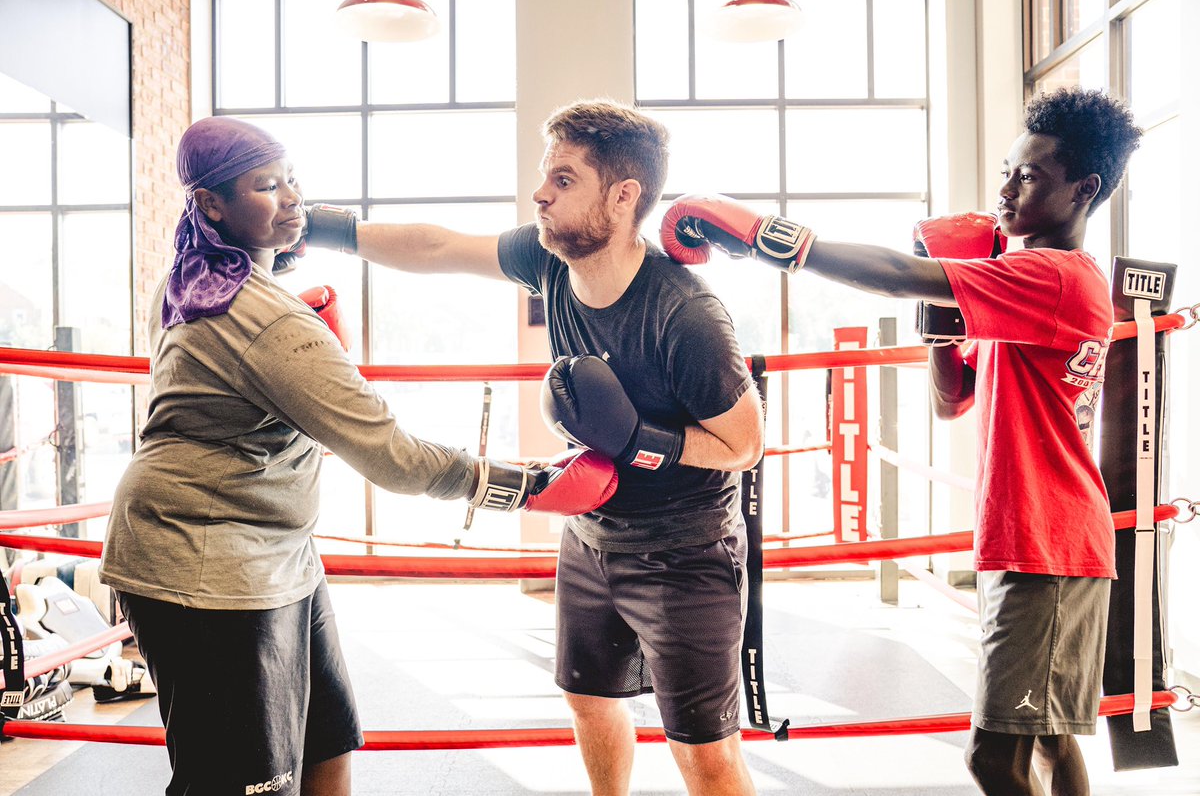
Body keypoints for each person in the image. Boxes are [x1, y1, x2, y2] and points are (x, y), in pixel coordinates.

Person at [98, 116, 618, 796]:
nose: (291, 197)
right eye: (265, 186)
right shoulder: (268, 321)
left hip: (280, 554)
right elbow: (392, 456)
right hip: (207, 564)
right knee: (244, 786)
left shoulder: (190, 278)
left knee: (329, 743)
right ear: (211, 205)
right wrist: (525, 485)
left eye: (292, 178)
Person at [659, 86, 1142, 795]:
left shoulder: (1051, 276)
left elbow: (890, 275)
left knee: (993, 758)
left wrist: (767, 236)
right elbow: (952, 400)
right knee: (1049, 738)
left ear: (1083, 190)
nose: (1006, 189)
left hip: (1047, 544)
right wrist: (941, 314)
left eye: (1030, 176)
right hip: (1038, 537)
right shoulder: (1031, 283)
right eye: (1007, 171)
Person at [294, 99, 764, 795]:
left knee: (704, 753)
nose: (540, 193)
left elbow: (745, 443)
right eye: (546, 175)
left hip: (685, 552)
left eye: (564, 180)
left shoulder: (684, 315)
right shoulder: (546, 259)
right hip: (591, 536)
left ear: (623, 195)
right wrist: (321, 227)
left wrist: (640, 441)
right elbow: (440, 248)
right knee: (590, 700)